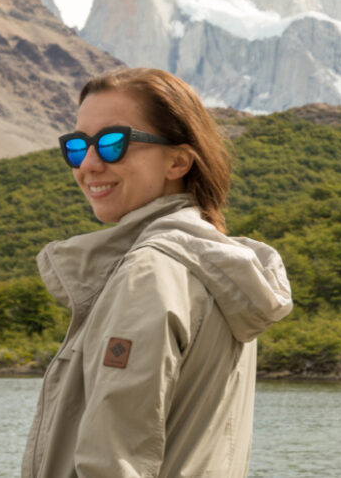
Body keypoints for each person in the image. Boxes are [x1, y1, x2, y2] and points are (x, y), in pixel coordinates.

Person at [22, 67, 293, 478]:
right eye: (77, 147)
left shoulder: (149, 273)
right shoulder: (217, 268)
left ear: (179, 161)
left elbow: (113, 463)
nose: (89, 164)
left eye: (113, 144)